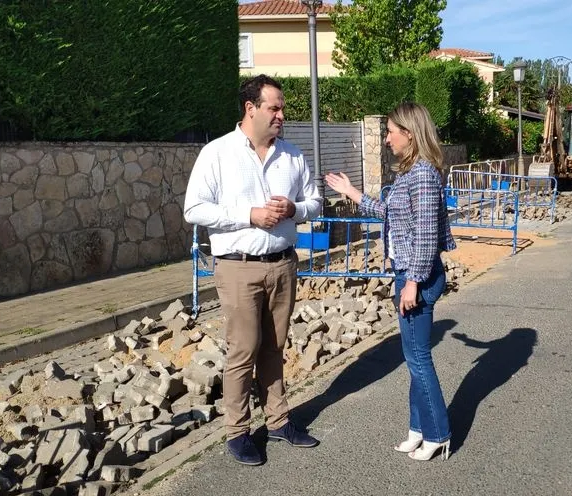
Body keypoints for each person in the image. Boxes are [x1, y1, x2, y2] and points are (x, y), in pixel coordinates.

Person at [183, 74, 323, 466]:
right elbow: (194, 209)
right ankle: (238, 431)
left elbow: (315, 201)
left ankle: (278, 422)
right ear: (251, 109)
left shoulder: (293, 155)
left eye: (282, 108)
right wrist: (250, 215)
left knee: (275, 347)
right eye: (274, 108)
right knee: (243, 350)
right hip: (238, 268)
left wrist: (295, 209)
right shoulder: (217, 153)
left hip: (282, 264)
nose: (281, 115)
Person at [325, 102, 456, 462]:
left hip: (417, 276)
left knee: (418, 359)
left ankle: (438, 433)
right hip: (408, 274)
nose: (386, 139)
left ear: (409, 134)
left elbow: (428, 236)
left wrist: (412, 282)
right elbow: (391, 213)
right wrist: (354, 194)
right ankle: (418, 429)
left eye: (391, 132)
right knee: (413, 357)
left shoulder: (425, 175)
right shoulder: (411, 174)